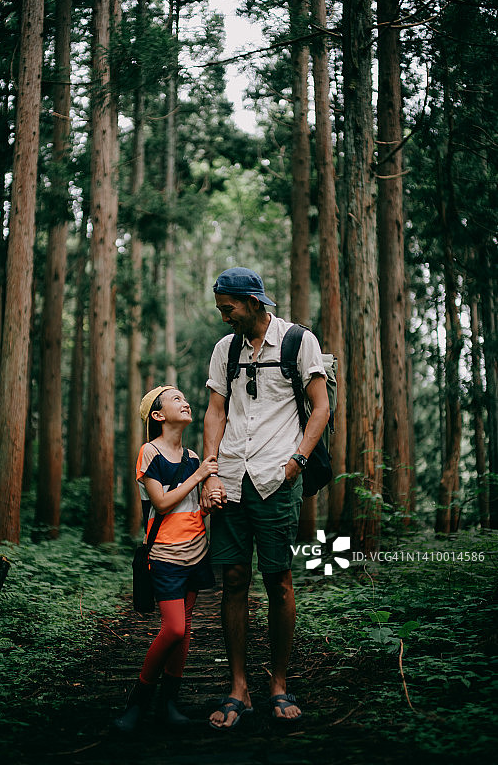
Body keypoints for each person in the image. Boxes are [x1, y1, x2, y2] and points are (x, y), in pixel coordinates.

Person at [201, 267, 330, 729]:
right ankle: (238, 687)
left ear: (254, 301)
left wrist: (297, 460)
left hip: (277, 478)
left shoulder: (298, 341)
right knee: (234, 578)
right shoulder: (225, 350)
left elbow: (320, 406)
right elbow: (216, 411)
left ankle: (278, 684)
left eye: (228, 308)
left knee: (278, 580)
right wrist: (210, 472)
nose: (223, 317)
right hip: (231, 478)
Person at [114, 385, 218, 733]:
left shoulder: (191, 456)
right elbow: (161, 502)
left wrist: (206, 506)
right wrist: (200, 476)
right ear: (158, 416)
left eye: (183, 397)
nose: (184, 401)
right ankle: (137, 703)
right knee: (173, 626)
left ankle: (169, 704)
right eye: (175, 398)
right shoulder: (150, 453)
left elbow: (188, 506)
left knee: (185, 627)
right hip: (165, 554)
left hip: (195, 550)